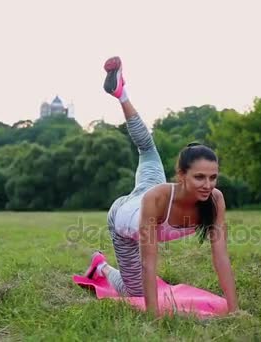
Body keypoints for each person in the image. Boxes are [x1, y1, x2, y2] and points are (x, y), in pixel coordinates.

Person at [81, 57, 238, 316]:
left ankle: (121, 92)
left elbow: (220, 257)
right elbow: (148, 262)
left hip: (148, 187)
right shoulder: (159, 198)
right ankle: (102, 267)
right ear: (181, 176)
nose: (208, 185)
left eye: (213, 177)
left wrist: (234, 309)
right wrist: (154, 316)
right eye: (199, 177)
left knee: (147, 148)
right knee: (137, 292)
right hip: (125, 218)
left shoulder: (215, 199)